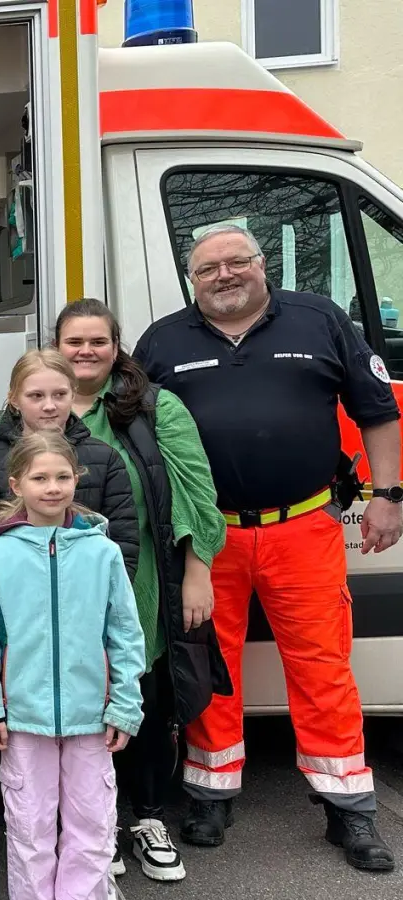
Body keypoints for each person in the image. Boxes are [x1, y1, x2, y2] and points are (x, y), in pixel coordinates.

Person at [134, 223, 400, 871]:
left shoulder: (319, 320)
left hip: (304, 525)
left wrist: (388, 494)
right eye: (207, 270)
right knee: (211, 665)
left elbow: (376, 409)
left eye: (237, 262)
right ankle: (210, 791)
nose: (224, 276)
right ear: (190, 282)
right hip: (208, 535)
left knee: (321, 664)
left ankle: (349, 810)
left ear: (262, 265)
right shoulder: (163, 341)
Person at [55, 298, 230, 883]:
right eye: (73, 341)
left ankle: (148, 815)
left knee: (146, 700)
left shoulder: (156, 408)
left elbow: (195, 489)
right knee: (81, 705)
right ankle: (94, 823)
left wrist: (198, 569)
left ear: (116, 346)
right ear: (57, 347)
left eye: (97, 341)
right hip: (63, 590)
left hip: (144, 579)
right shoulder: (39, 407)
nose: (85, 351)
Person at [0, 431, 146, 900]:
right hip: (22, 717)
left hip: (92, 716)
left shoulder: (102, 552)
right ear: (16, 484)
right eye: (39, 477)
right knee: (29, 827)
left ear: (77, 479)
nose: (52, 487)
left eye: (62, 476)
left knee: (92, 823)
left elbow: (125, 633)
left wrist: (125, 705)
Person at [0, 349, 139, 579]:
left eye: (59, 394)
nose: (49, 405)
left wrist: (98, 597)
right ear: (15, 399)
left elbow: (124, 543)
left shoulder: (105, 459)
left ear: (73, 394)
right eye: (36, 396)